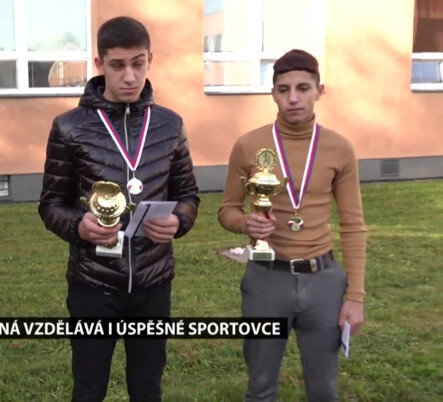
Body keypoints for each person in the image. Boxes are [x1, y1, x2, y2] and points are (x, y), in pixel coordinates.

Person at [38, 16, 200, 402]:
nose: (130, 76)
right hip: (93, 283)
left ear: (150, 60)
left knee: (147, 388)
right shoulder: (69, 127)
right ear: (99, 64)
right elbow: (51, 204)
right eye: (118, 65)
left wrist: (179, 221)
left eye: (138, 63)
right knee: (89, 389)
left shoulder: (170, 125)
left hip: (153, 282)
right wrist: (79, 226)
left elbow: (189, 195)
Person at [218, 49, 367, 401]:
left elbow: (353, 224)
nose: (293, 98)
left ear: (320, 91)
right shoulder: (249, 145)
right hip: (267, 280)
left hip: (323, 281)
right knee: (260, 388)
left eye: (303, 88)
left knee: (324, 391)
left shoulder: (339, 148)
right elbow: (227, 210)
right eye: (283, 90)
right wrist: (246, 224)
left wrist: (355, 297)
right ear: (273, 93)